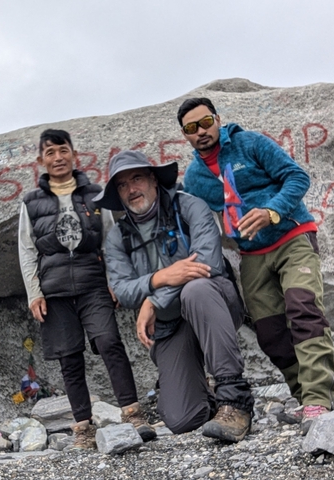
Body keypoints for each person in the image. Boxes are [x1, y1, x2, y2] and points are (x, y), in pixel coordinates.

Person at [177, 97, 334, 435]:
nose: (201, 131)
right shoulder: (194, 177)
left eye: (206, 122)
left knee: (303, 308)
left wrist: (271, 211)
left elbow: (297, 177)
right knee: (270, 333)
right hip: (251, 256)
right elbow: (193, 220)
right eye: (191, 128)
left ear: (217, 120)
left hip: (292, 236)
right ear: (185, 136)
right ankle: (303, 398)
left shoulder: (251, 143)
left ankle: (319, 401)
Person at [94, 150, 255, 443]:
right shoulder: (118, 237)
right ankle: (205, 397)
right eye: (122, 185)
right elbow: (121, 289)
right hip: (171, 326)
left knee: (195, 289)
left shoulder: (189, 206)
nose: (132, 189)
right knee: (182, 420)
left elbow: (207, 261)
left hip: (213, 303)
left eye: (137, 178)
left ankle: (235, 400)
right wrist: (161, 278)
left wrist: (154, 299)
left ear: (154, 179)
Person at [18, 129, 156, 449]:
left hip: (93, 282)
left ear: (73, 155)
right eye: (50, 153)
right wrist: (34, 292)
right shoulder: (31, 202)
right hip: (54, 291)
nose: (58, 158)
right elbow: (26, 250)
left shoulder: (94, 193)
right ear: (41, 160)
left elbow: (111, 240)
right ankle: (83, 426)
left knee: (109, 341)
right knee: (69, 358)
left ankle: (133, 412)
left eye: (63, 150)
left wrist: (114, 280)